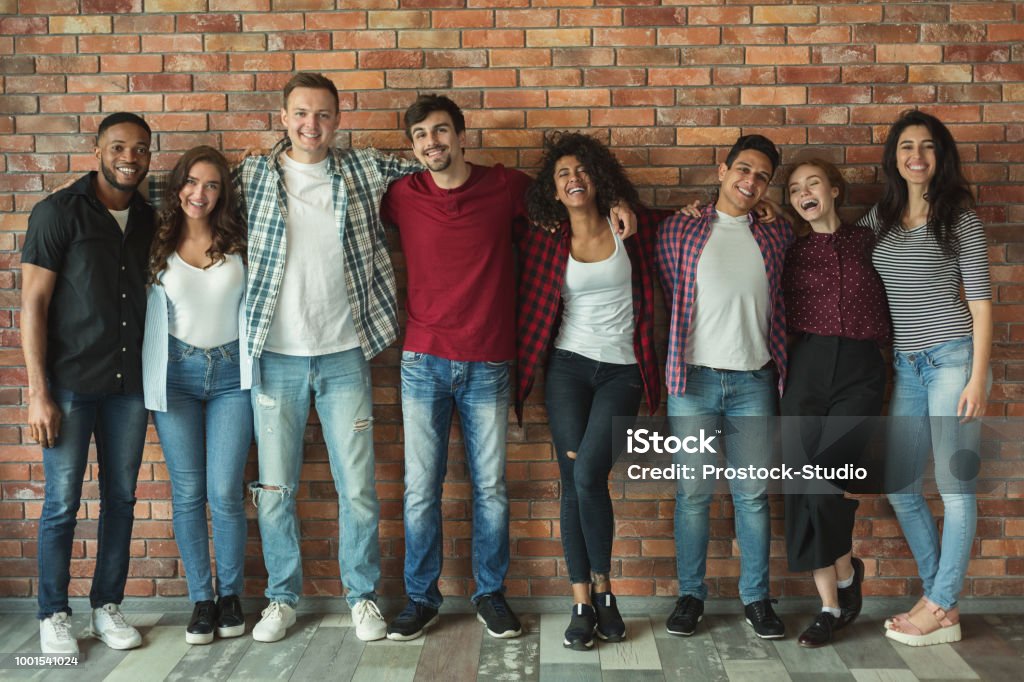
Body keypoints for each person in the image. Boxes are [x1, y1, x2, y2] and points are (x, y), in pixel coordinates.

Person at [381, 98, 636, 643]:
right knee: (421, 489)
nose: (432, 143)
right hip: (422, 360)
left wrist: (616, 203)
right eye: (421, 135)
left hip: (490, 360)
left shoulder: (506, 188)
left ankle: (489, 595)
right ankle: (421, 598)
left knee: (491, 487)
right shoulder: (401, 195)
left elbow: (573, 197)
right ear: (412, 146)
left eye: (442, 131)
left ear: (462, 136)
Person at [238, 72, 422, 643]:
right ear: (284, 116)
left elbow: (436, 169)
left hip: (346, 353)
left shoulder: (364, 169)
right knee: (275, 489)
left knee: (358, 489)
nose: (310, 125)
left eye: (322, 115)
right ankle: (281, 599)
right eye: (300, 113)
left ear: (337, 120)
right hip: (275, 355)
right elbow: (185, 199)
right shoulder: (251, 175)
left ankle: (362, 598)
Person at [517, 132, 668, 650]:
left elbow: (685, 219)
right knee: (572, 479)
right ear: (553, 191)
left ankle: (604, 588)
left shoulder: (632, 225)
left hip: (623, 370)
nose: (573, 179)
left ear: (598, 179)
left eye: (581, 171)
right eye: (562, 175)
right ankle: (585, 600)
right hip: (567, 368)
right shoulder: (543, 235)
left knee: (587, 472)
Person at [22, 112, 155, 654]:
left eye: (142, 148)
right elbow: (32, 303)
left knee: (120, 499)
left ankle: (107, 606)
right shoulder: (58, 212)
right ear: (98, 150)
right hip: (71, 384)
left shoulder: (148, 217)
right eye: (119, 146)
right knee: (61, 502)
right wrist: (39, 392)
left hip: (129, 387)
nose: (131, 156)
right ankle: (53, 613)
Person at [861, 111, 992, 647]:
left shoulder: (959, 219)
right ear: (895, 156)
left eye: (928, 146)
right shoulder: (880, 219)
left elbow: (982, 306)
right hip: (907, 367)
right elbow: (839, 246)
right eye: (907, 145)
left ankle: (937, 603)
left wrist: (978, 378)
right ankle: (943, 601)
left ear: (941, 157)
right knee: (900, 486)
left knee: (956, 490)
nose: (917, 155)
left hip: (952, 361)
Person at [656, 134, 793, 640]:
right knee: (693, 495)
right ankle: (690, 595)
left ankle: (757, 599)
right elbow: (639, 241)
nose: (750, 181)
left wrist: (777, 210)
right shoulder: (680, 228)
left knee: (752, 496)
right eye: (743, 170)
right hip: (690, 381)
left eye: (761, 176)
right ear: (722, 169)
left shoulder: (777, 235)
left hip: (755, 381)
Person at [141, 146, 252, 645]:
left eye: (211, 184)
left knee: (225, 493)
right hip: (176, 378)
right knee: (188, 494)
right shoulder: (155, 243)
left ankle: (231, 597)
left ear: (222, 191)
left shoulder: (240, 241)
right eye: (191, 182)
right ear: (177, 185)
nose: (199, 193)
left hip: (232, 376)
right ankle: (201, 601)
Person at [779, 158, 890, 648]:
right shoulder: (788, 250)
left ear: (835, 190)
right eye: (796, 188)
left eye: (814, 183)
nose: (805, 192)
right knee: (804, 487)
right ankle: (833, 599)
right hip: (806, 366)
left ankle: (844, 582)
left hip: (861, 370)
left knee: (825, 482)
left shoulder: (870, 240)